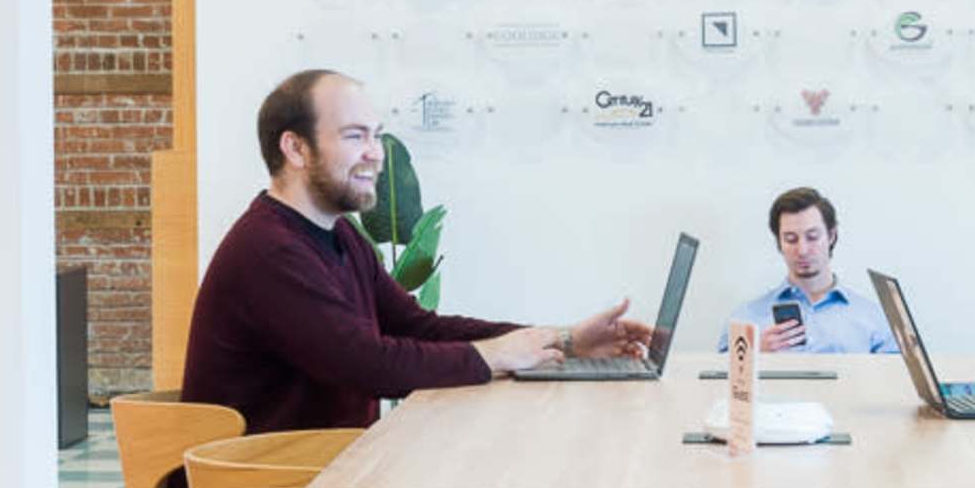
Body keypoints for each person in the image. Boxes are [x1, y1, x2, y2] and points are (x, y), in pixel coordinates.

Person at [179, 68, 649, 440]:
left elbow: (419, 328)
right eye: (354, 136)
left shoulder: (338, 235)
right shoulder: (269, 251)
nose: (376, 154)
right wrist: (495, 355)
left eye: (375, 135)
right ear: (295, 148)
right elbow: (368, 364)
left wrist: (565, 340)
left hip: (318, 474)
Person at [717, 186, 897, 355]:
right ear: (779, 242)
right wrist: (752, 355)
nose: (802, 250)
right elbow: (717, 383)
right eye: (791, 239)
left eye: (812, 237)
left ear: (831, 236)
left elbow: (897, 383)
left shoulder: (875, 319)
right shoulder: (744, 321)